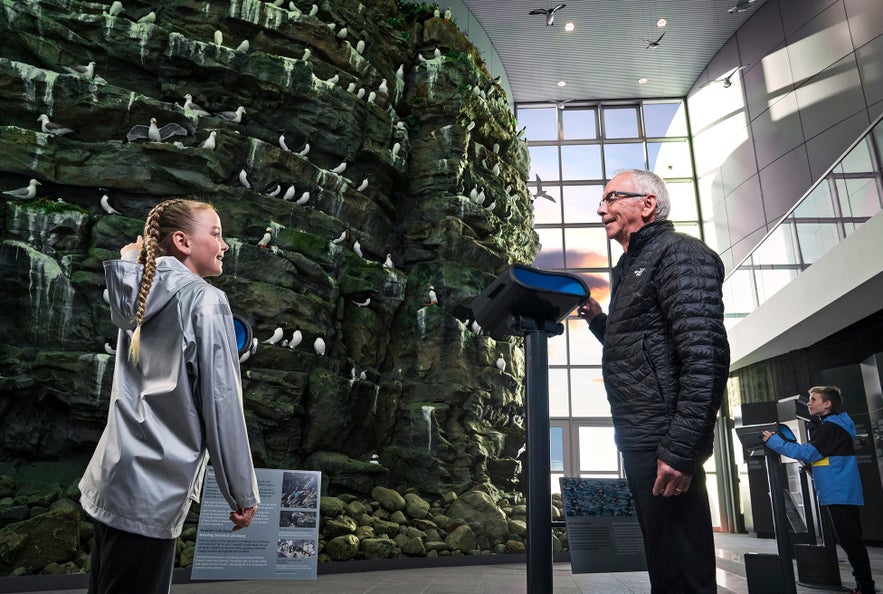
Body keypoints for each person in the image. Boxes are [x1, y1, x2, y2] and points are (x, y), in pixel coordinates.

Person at [79, 199, 260, 594]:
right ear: (182, 241)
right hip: (153, 491)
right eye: (215, 233)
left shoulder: (135, 290)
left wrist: (131, 257)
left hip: (113, 476)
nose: (224, 244)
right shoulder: (206, 301)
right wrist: (242, 490)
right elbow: (221, 403)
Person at [577, 169, 730, 593]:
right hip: (641, 436)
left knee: (683, 567)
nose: (600, 207)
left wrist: (681, 450)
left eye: (611, 197)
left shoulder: (680, 253)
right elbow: (641, 343)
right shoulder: (630, 265)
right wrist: (598, 321)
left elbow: (705, 355)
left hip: (665, 438)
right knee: (664, 562)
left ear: (647, 204)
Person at [763, 386, 876, 594]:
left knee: (851, 542)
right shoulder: (833, 426)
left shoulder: (831, 428)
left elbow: (808, 453)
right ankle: (864, 586)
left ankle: (866, 587)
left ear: (827, 404)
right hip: (840, 490)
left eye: (814, 399)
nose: (809, 403)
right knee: (851, 541)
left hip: (840, 492)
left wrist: (774, 441)